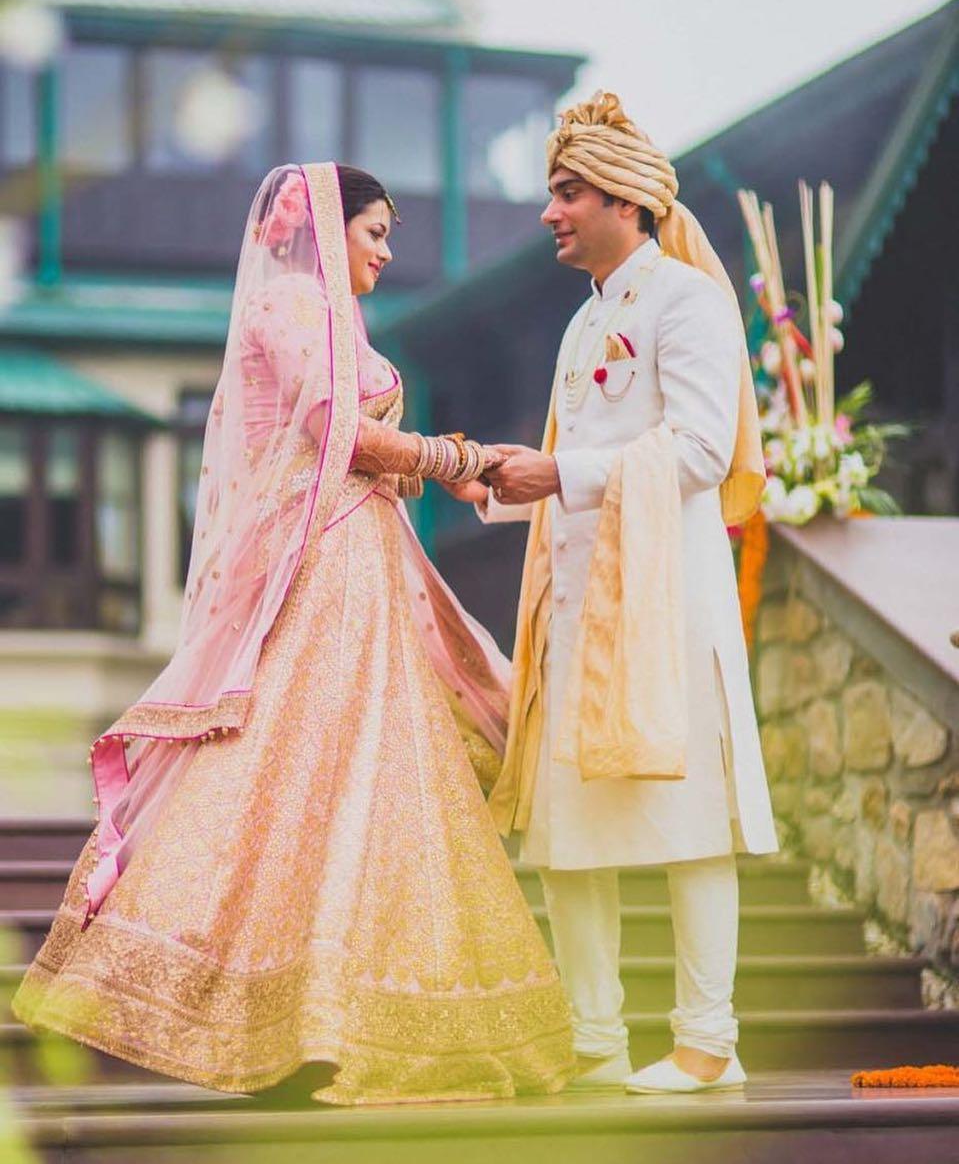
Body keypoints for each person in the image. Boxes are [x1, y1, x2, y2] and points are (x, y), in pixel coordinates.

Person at [13, 162, 574, 1105]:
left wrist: (432, 474)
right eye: (376, 232)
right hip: (320, 568)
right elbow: (337, 433)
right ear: (326, 227)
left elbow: (356, 453)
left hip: (361, 557)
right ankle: (267, 1005)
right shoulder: (289, 306)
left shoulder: (328, 314)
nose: (387, 252)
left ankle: (334, 1014)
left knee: (367, 774)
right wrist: (460, 457)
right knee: (296, 764)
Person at [470, 92, 779, 1094]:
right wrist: (505, 478)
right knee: (568, 826)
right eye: (551, 193)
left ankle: (706, 1039)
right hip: (574, 601)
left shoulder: (685, 300)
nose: (550, 213)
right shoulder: (586, 319)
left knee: (688, 820)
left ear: (628, 200)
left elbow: (696, 448)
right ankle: (594, 1032)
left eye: (568, 193)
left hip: (663, 602)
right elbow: (585, 462)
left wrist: (555, 475)